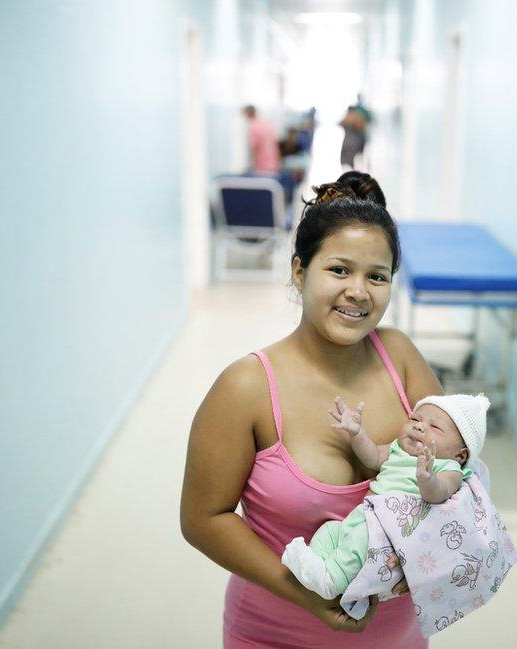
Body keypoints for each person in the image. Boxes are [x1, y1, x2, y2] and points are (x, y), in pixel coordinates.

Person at [181, 171, 441, 647]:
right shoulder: (247, 387)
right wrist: (306, 595)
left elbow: (455, 463)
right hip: (276, 632)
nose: (359, 291)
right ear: (300, 272)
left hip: (399, 634)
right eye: (339, 270)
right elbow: (203, 518)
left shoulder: (400, 358)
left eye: (376, 276)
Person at [282, 393, 489, 599]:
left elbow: (438, 493)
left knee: (360, 541)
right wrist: (357, 433)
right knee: (332, 530)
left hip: (389, 531)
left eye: (435, 427)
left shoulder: (449, 468)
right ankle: (317, 561)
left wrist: (427, 478)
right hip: (363, 516)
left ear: (460, 455)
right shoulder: (398, 449)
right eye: (415, 419)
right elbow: (372, 457)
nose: (419, 426)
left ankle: (332, 581)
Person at [243, 104, 281, 174]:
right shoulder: (266, 124)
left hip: (262, 167)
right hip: (273, 164)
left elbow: (254, 148)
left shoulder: (253, 127)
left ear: (248, 114)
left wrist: (253, 165)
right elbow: (276, 143)